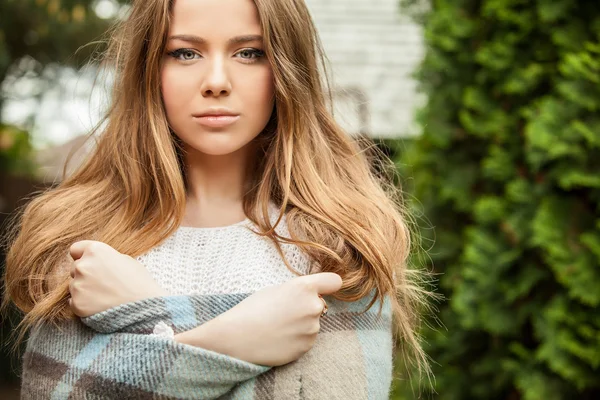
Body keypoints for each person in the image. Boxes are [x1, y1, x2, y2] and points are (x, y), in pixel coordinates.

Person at [2, 0, 432, 398]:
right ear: (149, 69)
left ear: (286, 66)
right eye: (185, 53)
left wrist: (147, 318)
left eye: (249, 53)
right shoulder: (85, 241)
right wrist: (236, 340)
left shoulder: (337, 243)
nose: (216, 82)